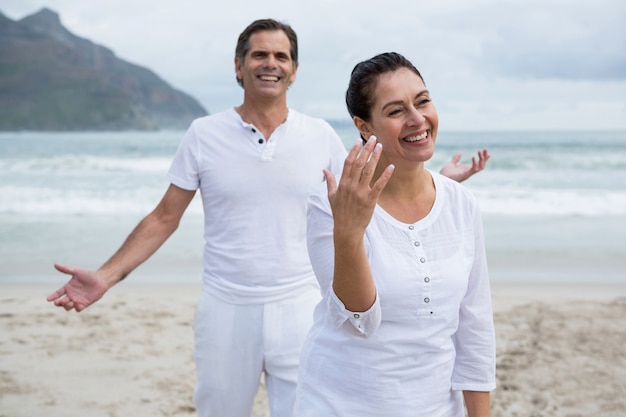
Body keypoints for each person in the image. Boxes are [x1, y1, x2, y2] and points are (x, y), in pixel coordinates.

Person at [46, 20, 490, 417]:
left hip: (300, 301)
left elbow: (370, 187)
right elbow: (165, 216)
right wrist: (106, 275)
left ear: (294, 71)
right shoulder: (204, 134)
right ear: (238, 66)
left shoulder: (319, 135)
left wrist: (436, 183)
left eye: (282, 56)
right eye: (259, 54)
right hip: (226, 302)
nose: (271, 63)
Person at [293, 52, 496, 417]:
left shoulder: (461, 204)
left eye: (423, 101)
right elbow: (360, 321)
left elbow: (475, 329)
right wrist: (349, 233)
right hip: (338, 405)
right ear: (364, 126)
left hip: (436, 407)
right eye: (396, 110)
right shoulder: (333, 203)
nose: (418, 119)